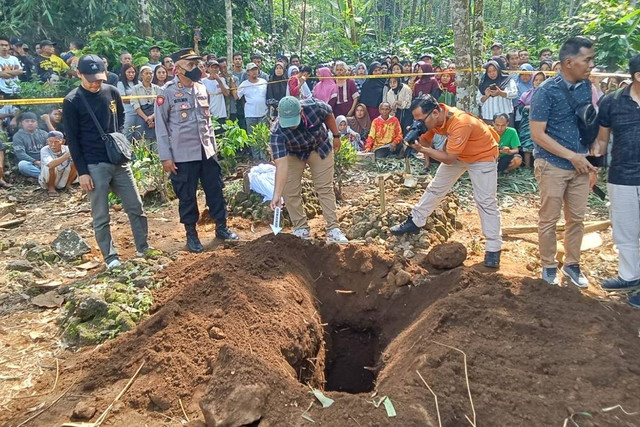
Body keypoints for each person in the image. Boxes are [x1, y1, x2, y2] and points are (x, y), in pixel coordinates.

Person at [390, 95, 502, 267]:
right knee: (436, 187)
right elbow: (427, 138)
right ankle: (415, 221)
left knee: (485, 201)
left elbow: (449, 158)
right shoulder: (435, 119)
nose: (418, 122)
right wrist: (416, 135)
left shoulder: (461, 122)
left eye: (420, 119)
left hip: (482, 156)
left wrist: (423, 149)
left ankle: (494, 248)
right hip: (459, 153)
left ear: (435, 112)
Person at [63, 54, 151, 268]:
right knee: (101, 214)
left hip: (118, 161)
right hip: (94, 165)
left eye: (99, 78)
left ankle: (143, 247)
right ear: (79, 74)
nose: (96, 83)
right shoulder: (72, 101)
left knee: (136, 206)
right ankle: (110, 256)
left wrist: (117, 140)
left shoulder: (111, 92)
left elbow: (120, 116)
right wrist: (82, 172)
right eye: (91, 79)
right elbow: (72, 140)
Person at [155, 48, 239, 252]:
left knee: (215, 189)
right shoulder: (166, 92)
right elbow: (161, 126)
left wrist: (213, 147)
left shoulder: (201, 88)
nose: (196, 69)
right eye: (191, 65)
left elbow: (207, 122)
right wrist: (166, 157)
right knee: (187, 195)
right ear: (178, 69)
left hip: (206, 151)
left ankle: (221, 227)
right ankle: (191, 234)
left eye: (196, 65)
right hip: (183, 154)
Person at [529, 36, 597, 287]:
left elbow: (587, 125)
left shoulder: (585, 86)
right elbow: (537, 135)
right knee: (549, 218)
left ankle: (572, 264)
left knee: (576, 219)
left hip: (580, 165)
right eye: (587, 59)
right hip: (552, 165)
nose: (591, 65)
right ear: (569, 62)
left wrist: (591, 161)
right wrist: (571, 156)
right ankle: (548, 265)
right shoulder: (545, 92)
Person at [592, 54, 640, 307]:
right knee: (625, 230)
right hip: (621, 175)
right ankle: (629, 275)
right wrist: (593, 163)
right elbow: (602, 139)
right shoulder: (612, 102)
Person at [269, 96, 349, 244]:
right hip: (294, 154)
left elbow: (329, 114)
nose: (291, 127)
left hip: (320, 148)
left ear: (301, 112)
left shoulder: (315, 106)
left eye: (293, 121)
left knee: (324, 187)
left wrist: (336, 136)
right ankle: (301, 228)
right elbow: (281, 165)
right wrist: (277, 194)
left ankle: (333, 229)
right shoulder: (277, 132)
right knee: (290, 190)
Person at [237, 61, 268, 158]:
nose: (254, 72)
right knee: (253, 137)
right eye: (252, 70)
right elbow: (237, 96)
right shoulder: (244, 84)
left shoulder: (264, 82)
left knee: (263, 137)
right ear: (247, 72)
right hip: (250, 114)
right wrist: (232, 84)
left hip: (263, 113)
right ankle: (256, 158)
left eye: (255, 69)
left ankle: (264, 158)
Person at [518, 71, 547, 166]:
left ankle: (537, 166)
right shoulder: (526, 94)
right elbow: (520, 109)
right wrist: (527, 108)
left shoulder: (548, 94)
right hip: (527, 123)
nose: (538, 82)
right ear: (533, 81)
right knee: (527, 143)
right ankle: (527, 166)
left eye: (541, 80)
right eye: (536, 80)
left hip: (542, 123)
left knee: (540, 144)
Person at [477, 60, 517, 124]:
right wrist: (486, 96)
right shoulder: (482, 83)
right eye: (489, 72)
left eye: (494, 70)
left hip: (505, 117)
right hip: (488, 117)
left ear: (498, 70)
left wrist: (500, 93)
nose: (492, 73)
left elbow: (514, 94)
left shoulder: (508, 80)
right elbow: (478, 101)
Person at [38, 130, 77, 197]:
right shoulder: (44, 150)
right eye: (50, 142)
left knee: (76, 162)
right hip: (48, 177)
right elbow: (50, 165)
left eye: (56, 142)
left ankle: (68, 184)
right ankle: (51, 188)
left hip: (64, 176)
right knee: (51, 166)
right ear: (47, 141)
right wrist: (68, 155)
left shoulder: (67, 148)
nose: (53, 145)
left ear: (63, 142)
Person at [13, 112, 48, 178]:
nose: (30, 123)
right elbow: (20, 154)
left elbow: (51, 148)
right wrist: (36, 162)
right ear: (22, 123)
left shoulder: (44, 134)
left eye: (33, 121)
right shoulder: (18, 136)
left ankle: (49, 176)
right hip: (30, 163)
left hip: (45, 161)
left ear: (37, 123)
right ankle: (45, 177)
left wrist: (45, 161)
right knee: (22, 165)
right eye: (27, 121)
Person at [130, 65, 159, 142]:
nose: (149, 75)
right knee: (142, 141)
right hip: (141, 116)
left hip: (155, 115)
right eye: (146, 73)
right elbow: (136, 105)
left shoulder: (157, 88)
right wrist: (147, 119)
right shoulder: (135, 88)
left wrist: (152, 117)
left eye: (151, 73)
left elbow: (160, 105)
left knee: (155, 142)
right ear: (142, 75)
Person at [202, 60, 230, 126]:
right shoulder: (203, 81)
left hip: (221, 112)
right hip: (209, 112)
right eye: (212, 67)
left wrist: (219, 81)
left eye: (216, 68)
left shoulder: (222, 80)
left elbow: (227, 94)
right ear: (208, 69)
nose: (215, 69)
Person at [117, 63, 139, 140]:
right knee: (128, 134)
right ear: (124, 73)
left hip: (140, 112)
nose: (131, 74)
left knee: (139, 135)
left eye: (133, 72)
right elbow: (123, 99)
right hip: (128, 112)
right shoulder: (120, 84)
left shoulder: (138, 83)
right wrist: (137, 100)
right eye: (129, 72)